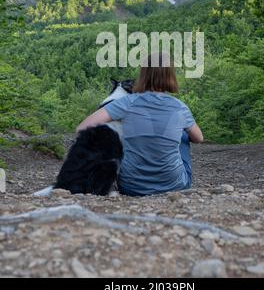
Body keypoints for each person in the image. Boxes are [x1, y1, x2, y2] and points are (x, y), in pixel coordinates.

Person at [76, 53, 204, 196]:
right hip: (175, 185)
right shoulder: (180, 107)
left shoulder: (126, 103)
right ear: (170, 76)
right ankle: (167, 173)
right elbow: (199, 138)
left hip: (131, 186)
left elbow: (82, 128)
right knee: (184, 134)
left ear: (143, 75)